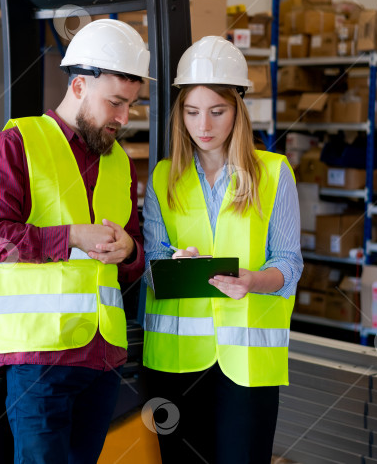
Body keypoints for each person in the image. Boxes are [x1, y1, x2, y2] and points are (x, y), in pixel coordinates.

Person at [0, 19, 149, 463]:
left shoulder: (119, 163)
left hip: (102, 358)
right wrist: (69, 237)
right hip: (39, 359)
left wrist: (129, 251)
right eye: (116, 103)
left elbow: (136, 253)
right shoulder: (18, 143)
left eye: (131, 106)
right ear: (81, 86)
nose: (124, 118)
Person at [140, 36, 303, 463]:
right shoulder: (163, 178)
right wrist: (173, 264)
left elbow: (289, 261)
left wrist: (254, 281)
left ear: (238, 109)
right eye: (192, 112)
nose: (204, 126)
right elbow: (151, 261)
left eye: (217, 111)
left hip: (246, 365)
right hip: (175, 365)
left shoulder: (273, 172)